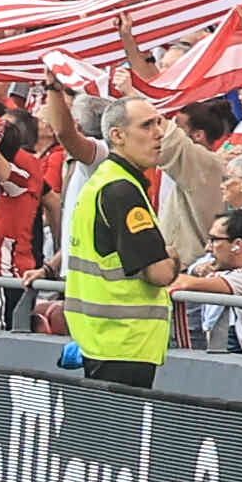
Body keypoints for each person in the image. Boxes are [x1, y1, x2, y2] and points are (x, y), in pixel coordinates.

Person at [61, 98, 176, 392]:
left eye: (159, 122)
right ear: (117, 136)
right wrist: (174, 258)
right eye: (147, 125)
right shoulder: (121, 190)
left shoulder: (102, 181)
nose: (159, 132)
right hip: (125, 342)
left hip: (102, 340)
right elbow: (159, 273)